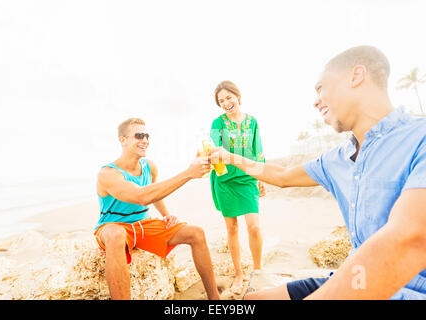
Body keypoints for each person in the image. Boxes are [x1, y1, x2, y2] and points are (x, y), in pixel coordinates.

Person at [211, 46, 426, 299]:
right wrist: (232, 158)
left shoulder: (419, 137)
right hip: (351, 277)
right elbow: (281, 175)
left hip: (402, 289)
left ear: (356, 77)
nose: (315, 101)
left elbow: (410, 239)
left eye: (320, 88)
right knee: (251, 301)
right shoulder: (336, 159)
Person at [95, 117, 220, 300]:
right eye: (138, 135)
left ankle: (215, 299)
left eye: (146, 136)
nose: (145, 140)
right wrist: (188, 173)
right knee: (116, 235)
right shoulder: (108, 174)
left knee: (196, 233)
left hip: (143, 225)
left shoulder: (149, 167)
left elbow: (153, 192)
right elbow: (141, 196)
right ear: (123, 140)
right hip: (113, 226)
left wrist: (166, 215)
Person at [209, 80, 266, 294]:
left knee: (254, 227)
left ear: (237, 96)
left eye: (229, 97)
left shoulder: (253, 122)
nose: (226, 103)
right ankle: (239, 274)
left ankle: (258, 271)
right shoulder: (218, 123)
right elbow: (216, 150)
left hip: (248, 178)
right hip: (225, 179)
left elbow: (258, 149)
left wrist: (261, 176)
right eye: (221, 100)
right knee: (232, 228)